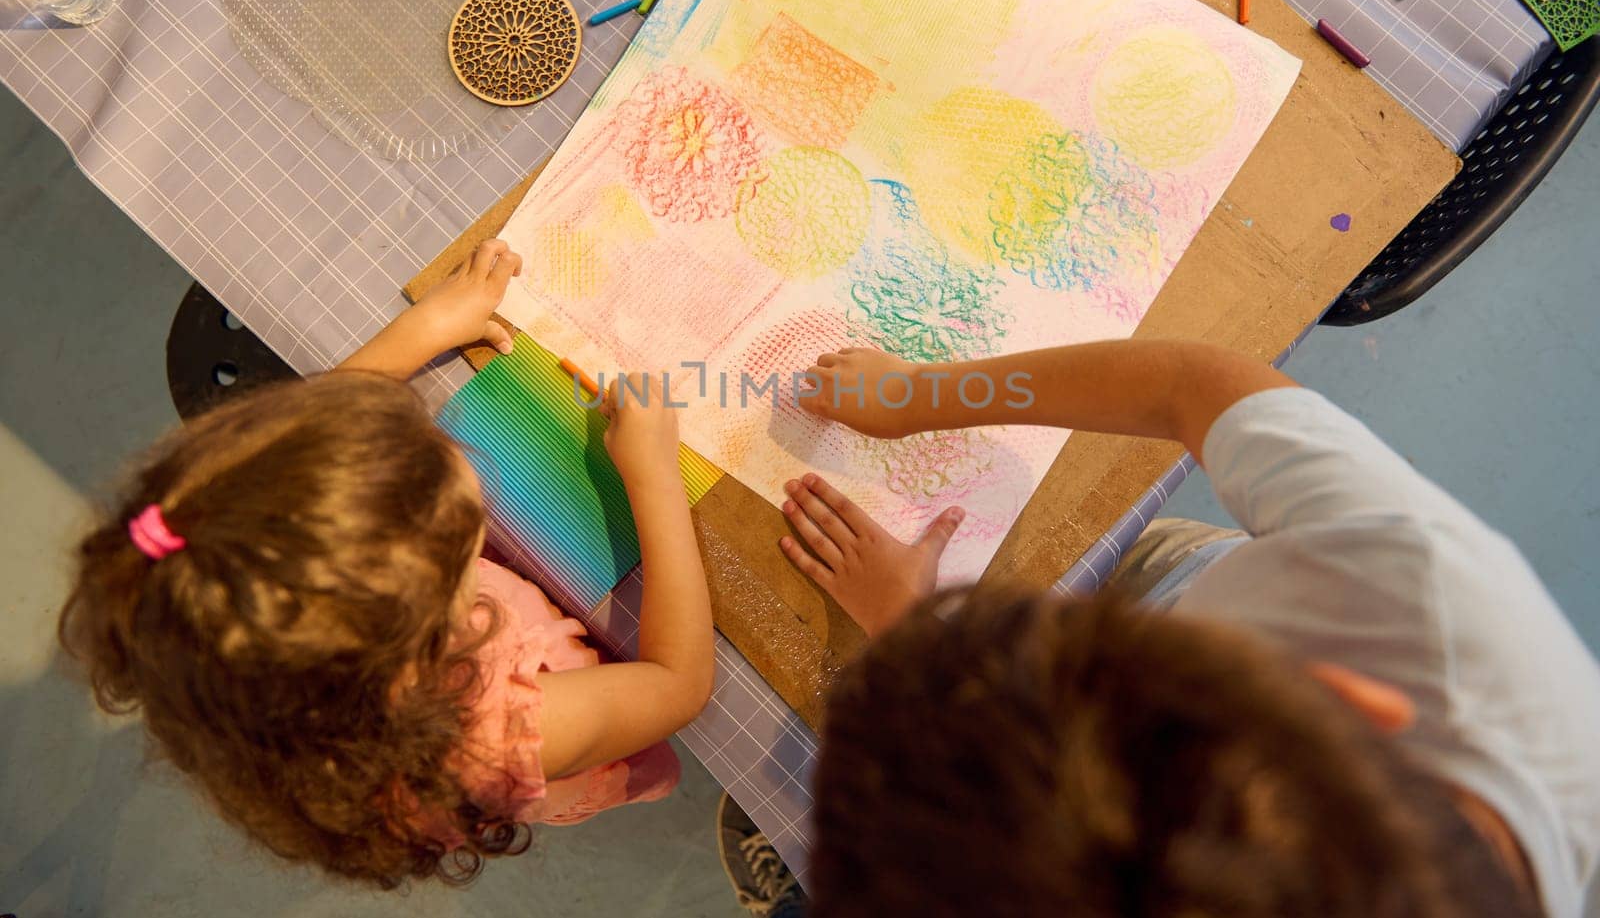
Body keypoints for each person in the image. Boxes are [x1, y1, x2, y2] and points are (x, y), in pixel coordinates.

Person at [758, 341, 1598, 917]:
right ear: (1349, 695)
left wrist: (907, 629)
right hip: (1195, 572)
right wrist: (924, 393)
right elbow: (1190, 383)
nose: (1072, 613)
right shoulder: (1425, 593)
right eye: (1095, 644)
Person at [58, 240, 713, 887]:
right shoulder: (488, 738)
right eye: (455, 535)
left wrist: (427, 325)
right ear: (415, 643)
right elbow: (677, 682)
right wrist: (653, 476)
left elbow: (314, 426)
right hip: (576, 704)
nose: (461, 463)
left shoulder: (248, 604)